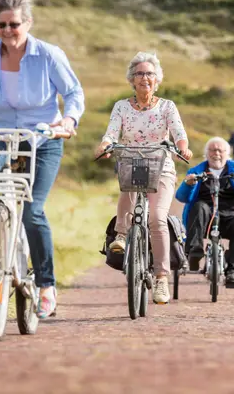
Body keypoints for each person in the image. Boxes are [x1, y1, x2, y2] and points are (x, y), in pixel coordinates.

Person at [0, 0, 85, 318]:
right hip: (1, 137)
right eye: (1, 24)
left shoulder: (48, 55)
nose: (7, 31)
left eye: (14, 24)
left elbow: (73, 93)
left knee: (32, 210)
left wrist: (68, 121)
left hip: (41, 140)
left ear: (27, 23)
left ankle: (46, 284)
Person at [94, 52, 193, 304]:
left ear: (157, 79)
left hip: (161, 166)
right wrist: (105, 145)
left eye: (149, 74)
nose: (144, 78)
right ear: (132, 79)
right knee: (127, 190)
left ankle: (161, 278)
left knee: (157, 218)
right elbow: (111, 133)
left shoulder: (167, 107)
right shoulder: (121, 107)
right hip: (131, 162)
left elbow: (179, 133)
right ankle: (121, 236)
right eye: (139, 74)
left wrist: (183, 147)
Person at [175, 137, 234, 289]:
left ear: (228, 153)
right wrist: (188, 183)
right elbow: (181, 196)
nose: (217, 153)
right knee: (199, 207)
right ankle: (194, 252)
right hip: (205, 213)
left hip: (230, 212)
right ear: (206, 154)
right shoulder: (197, 170)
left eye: (221, 150)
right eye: (213, 150)